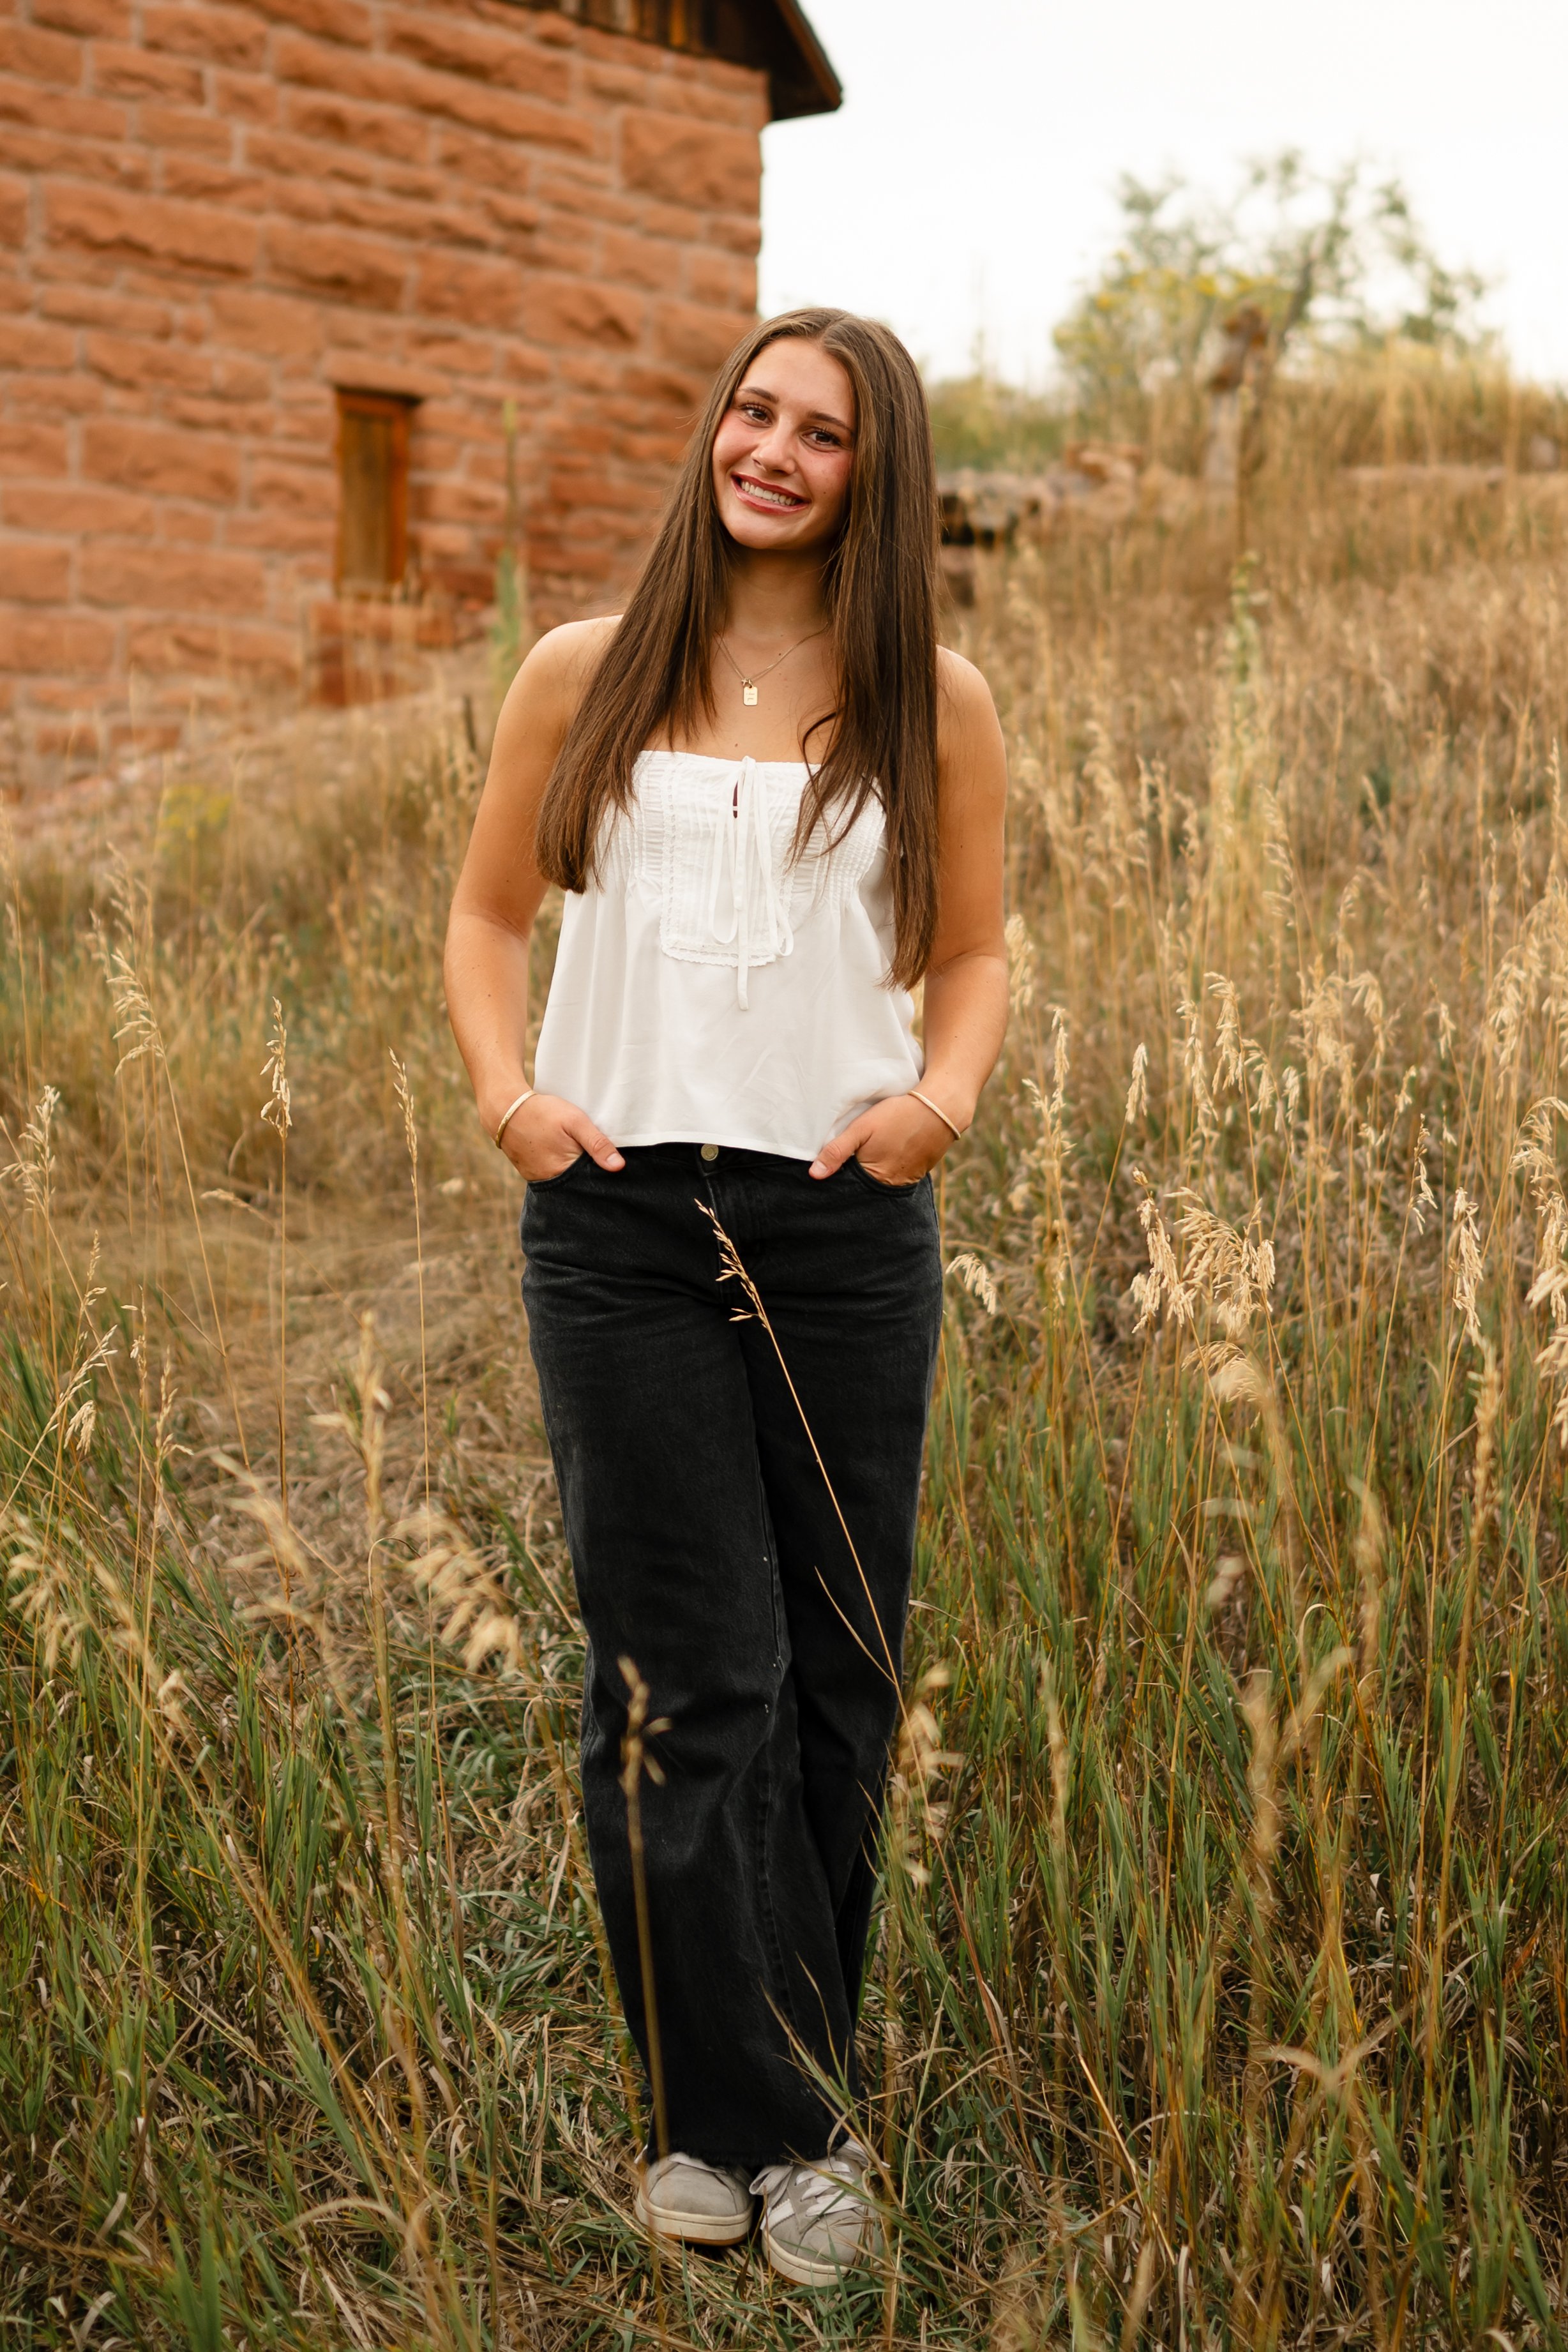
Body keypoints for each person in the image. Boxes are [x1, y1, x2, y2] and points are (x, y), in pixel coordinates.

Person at [444, 308, 1008, 2287]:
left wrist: (941, 1100)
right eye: (752, 411)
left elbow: (978, 950)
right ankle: (739, 2123)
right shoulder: (582, 673)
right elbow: (488, 912)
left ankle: (784, 2098)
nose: (770, 448)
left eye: (821, 432)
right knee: (692, 1681)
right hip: (621, 1229)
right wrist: (511, 1095)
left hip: (844, 1227)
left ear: (880, 473)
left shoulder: (927, 694)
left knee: (839, 1673)